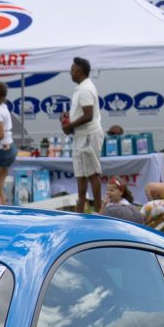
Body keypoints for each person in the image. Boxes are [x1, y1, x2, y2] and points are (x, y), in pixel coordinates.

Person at [61, 56, 104, 214]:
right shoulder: (81, 87)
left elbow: (88, 115)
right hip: (81, 135)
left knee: (92, 173)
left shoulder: (86, 88)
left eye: (72, 69)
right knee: (80, 173)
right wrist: (69, 117)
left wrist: (69, 126)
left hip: (89, 134)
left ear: (79, 71)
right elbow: (82, 113)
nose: (70, 72)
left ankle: (98, 209)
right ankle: (80, 208)